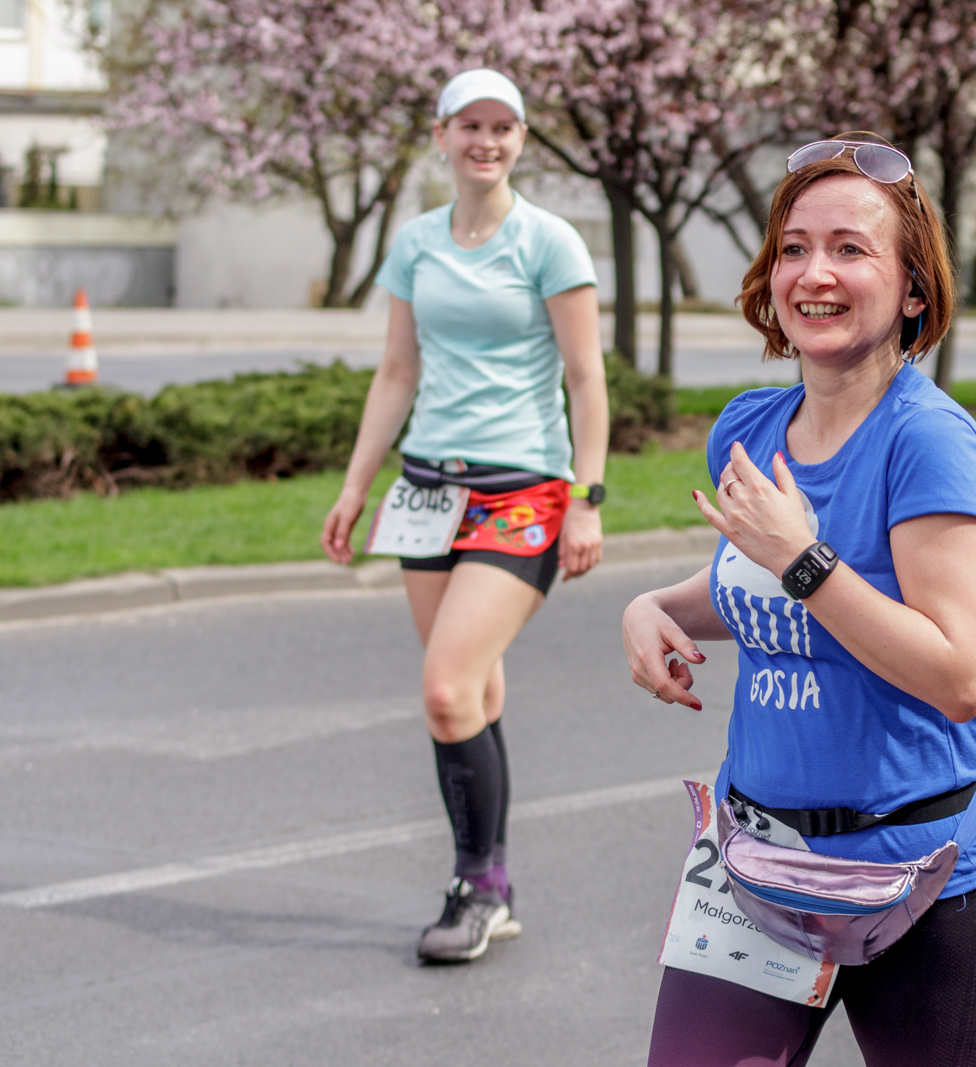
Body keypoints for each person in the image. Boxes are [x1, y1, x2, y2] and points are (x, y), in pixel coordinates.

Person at [622, 133, 976, 1066]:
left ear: (914, 290)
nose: (816, 273)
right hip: (754, 865)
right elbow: (759, 586)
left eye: (851, 248)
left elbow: (959, 676)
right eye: (795, 247)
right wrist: (659, 605)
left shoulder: (928, 441)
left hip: (919, 875)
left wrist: (806, 557)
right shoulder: (749, 428)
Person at [321, 68, 608, 964]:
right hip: (427, 489)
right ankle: (497, 882)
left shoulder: (549, 243)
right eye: (470, 126)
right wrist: (356, 484)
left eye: (504, 128)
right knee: (473, 689)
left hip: (523, 487)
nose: (487, 141)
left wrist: (589, 497)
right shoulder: (414, 243)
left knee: (447, 688)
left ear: (521, 139)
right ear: (441, 134)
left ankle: (473, 886)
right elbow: (397, 371)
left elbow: (586, 378)